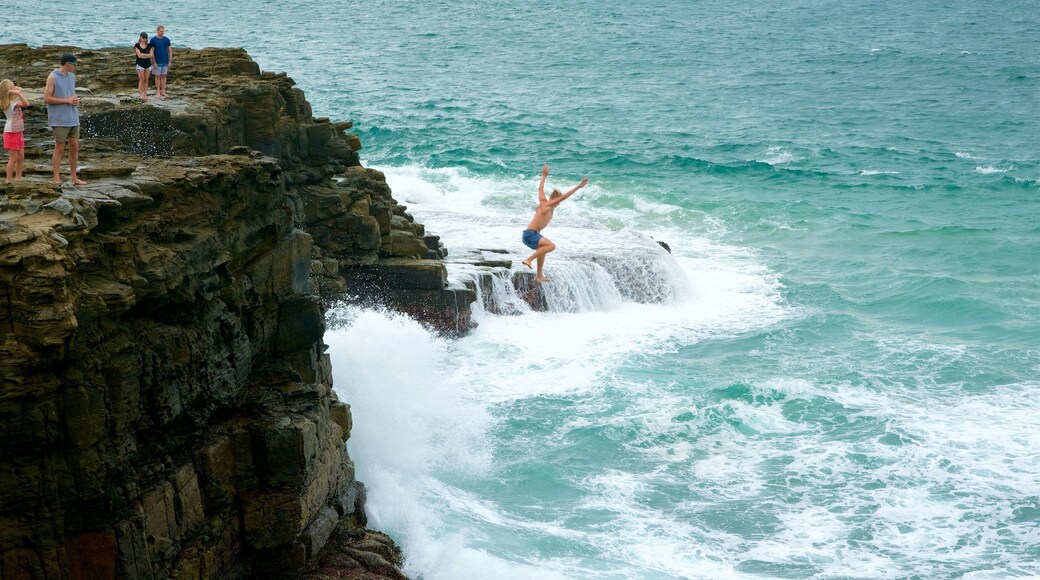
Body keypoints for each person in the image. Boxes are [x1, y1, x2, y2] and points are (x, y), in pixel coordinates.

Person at [521, 164, 588, 282]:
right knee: (550, 246)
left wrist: (543, 176)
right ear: (556, 200)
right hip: (531, 234)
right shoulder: (549, 205)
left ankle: (539, 275)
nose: (559, 203)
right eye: (558, 201)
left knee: (543, 249)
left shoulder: (543, 202)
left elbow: (540, 189)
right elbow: (564, 197)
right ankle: (529, 259)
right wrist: (578, 187)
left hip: (529, 235)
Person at [44, 53, 85, 185]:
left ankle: (74, 177)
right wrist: (67, 100)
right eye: (74, 64)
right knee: (59, 148)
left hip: (73, 117)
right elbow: (47, 98)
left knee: (74, 147)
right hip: (59, 119)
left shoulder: (72, 77)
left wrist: (74, 100)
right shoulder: (52, 77)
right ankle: (56, 177)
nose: (75, 67)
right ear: (67, 63)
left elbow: (70, 94)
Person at [1, 79, 30, 183]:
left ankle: (18, 178)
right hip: (11, 132)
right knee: (13, 158)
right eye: (12, 87)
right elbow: (26, 104)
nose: (15, 88)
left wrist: (17, 91)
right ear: (8, 90)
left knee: (21, 157)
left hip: (18, 131)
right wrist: (18, 93)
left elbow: (20, 89)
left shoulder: (12, 101)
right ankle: (8, 180)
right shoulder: (12, 103)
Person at [149, 25, 172, 98]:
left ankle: (163, 91)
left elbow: (170, 50)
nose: (162, 33)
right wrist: (154, 62)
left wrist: (170, 61)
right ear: (157, 31)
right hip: (157, 61)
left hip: (165, 61)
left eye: (163, 31)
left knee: (164, 76)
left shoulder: (166, 40)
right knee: (157, 76)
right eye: (161, 31)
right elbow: (152, 51)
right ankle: (158, 92)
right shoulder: (153, 40)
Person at [134, 32, 155, 100]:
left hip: (148, 65)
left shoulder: (150, 46)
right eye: (143, 37)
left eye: (145, 37)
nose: (144, 39)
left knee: (146, 80)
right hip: (140, 65)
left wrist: (144, 54)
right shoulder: (137, 45)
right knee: (142, 80)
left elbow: (151, 55)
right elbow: (139, 55)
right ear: (140, 37)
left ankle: (145, 94)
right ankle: (141, 94)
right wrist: (146, 55)